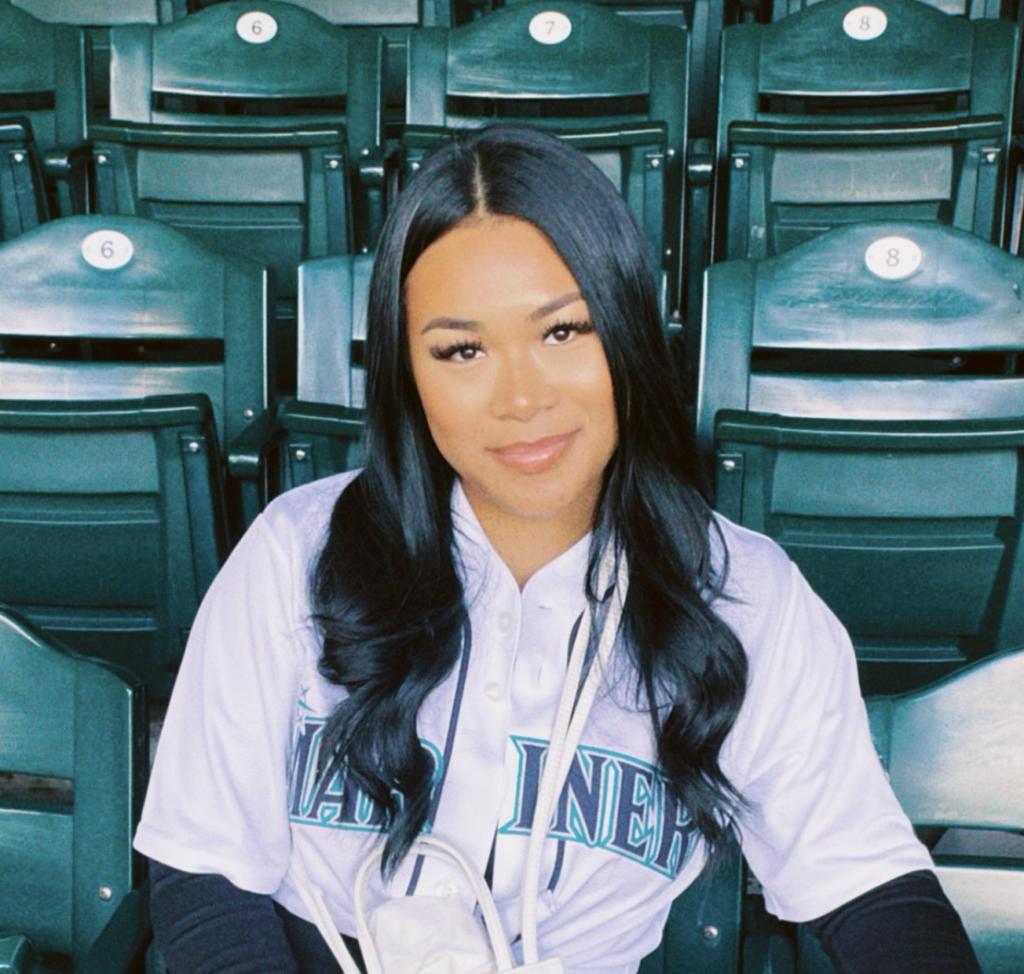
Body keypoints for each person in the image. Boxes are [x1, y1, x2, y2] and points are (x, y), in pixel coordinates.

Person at [136, 124, 980, 974]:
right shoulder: (296, 552)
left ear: (626, 332)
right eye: (462, 350)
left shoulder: (744, 594)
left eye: (564, 332)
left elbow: (872, 887)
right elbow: (202, 869)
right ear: (407, 372)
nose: (521, 398)